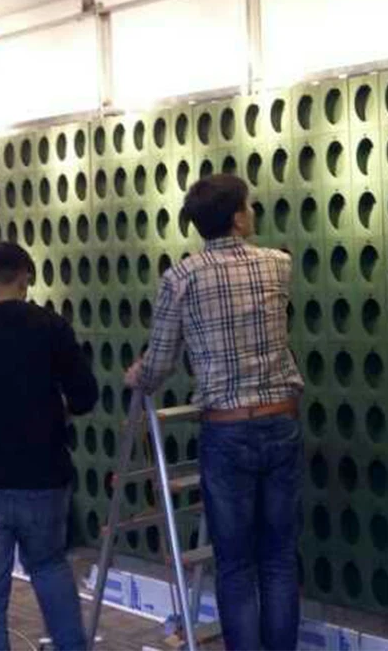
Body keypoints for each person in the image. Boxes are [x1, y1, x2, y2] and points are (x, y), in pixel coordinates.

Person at [126, 173, 304, 651]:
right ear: (238, 218)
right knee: (280, 558)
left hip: (225, 430)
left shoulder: (180, 278)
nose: (253, 212)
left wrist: (138, 375)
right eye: (249, 205)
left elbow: (159, 363)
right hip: (280, 419)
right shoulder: (278, 265)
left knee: (235, 564)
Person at [0, 242, 98, 651]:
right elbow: (85, 397)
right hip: (43, 476)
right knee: (51, 569)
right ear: (24, 280)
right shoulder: (50, 326)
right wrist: (56, 413)